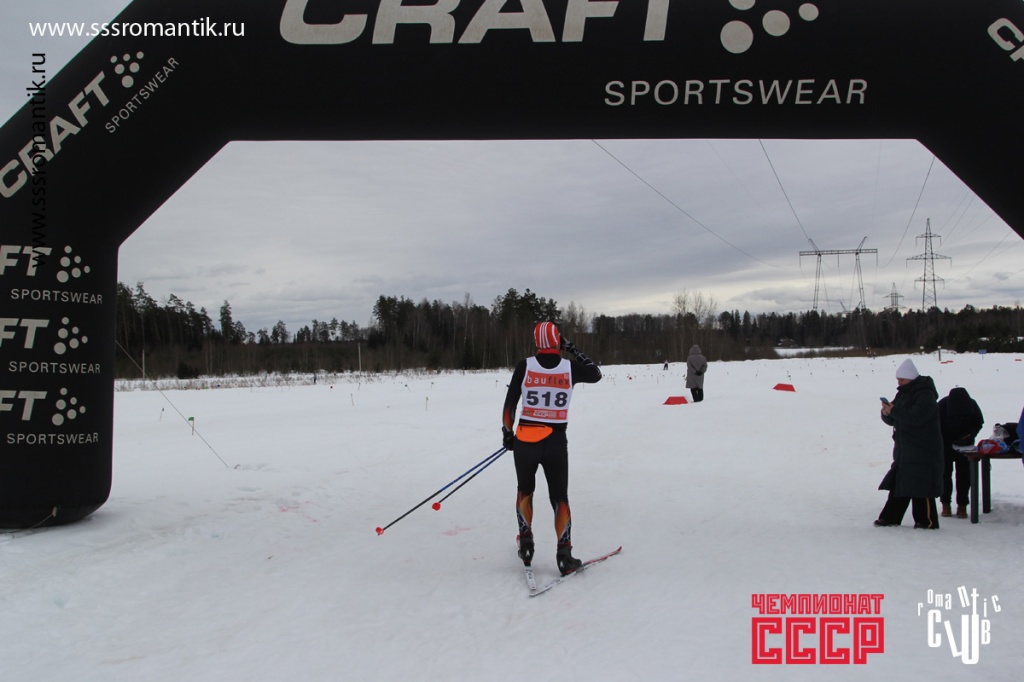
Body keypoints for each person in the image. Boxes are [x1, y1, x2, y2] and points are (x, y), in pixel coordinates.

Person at [501, 322, 602, 575]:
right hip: (555, 441)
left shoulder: (525, 366)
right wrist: (572, 349)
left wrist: (508, 435)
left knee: (525, 491)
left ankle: (526, 544)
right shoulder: (569, 367)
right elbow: (595, 373)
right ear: (558, 341)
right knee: (559, 498)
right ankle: (564, 555)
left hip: (525, 440)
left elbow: (509, 406)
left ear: (537, 342)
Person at [875, 358, 944, 529]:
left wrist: (894, 410)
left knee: (922, 486)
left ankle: (926, 521)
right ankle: (890, 517)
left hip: (923, 448)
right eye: (898, 379)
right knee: (900, 483)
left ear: (911, 378)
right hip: (905, 448)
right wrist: (887, 413)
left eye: (902, 379)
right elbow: (896, 418)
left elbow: (916, 417)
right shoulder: (903, 393)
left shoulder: (925, 394)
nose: (899, 383)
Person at [937, 387, 984, 518]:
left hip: (966, 446)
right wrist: (944, 440)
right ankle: (945, 504)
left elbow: (978, 423)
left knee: (964, 476)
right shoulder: (942, 405)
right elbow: (934, 425)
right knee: (944, 475)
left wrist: (969, 436)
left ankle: (962, 505)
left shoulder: (972, 404)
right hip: (945, 445)